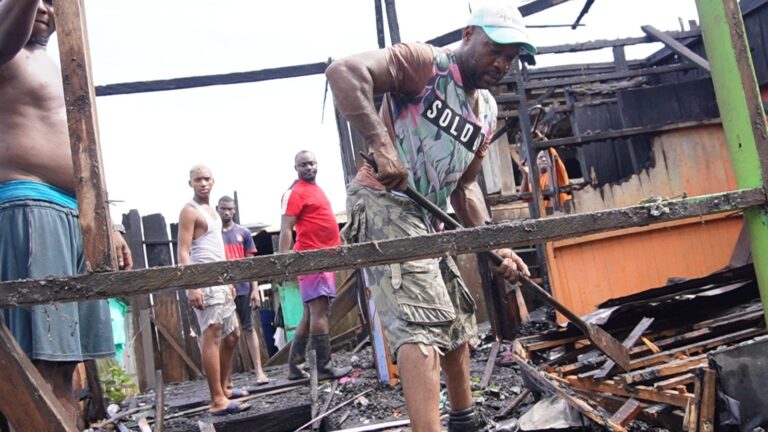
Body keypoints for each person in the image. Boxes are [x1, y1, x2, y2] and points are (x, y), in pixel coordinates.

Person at [325, 4, 534, 431]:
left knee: (457, 318)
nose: (502, 63)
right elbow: (343, 72)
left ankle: (464, 419)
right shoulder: (427, 64)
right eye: (496, 49)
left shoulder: (487, 111)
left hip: (429, 216)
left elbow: (466, 188)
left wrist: (495, 246)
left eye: (512, 57)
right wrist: (381, 145)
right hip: (383, 201)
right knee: (420, 324)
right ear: (470, 33)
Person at [0, 0, 132, 428]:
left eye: (52, 2)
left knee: (66, 365)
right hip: (30, 206)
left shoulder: (62, 64)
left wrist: (107, 224)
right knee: (35, 365)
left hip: (77, 216)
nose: (43, 7)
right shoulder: (8, 50)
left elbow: (82, 148)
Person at [177, 165, 249, 416]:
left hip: (220, 279)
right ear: (191, 183)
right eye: (198, 180)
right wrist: (191, 286)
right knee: (212, 336)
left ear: (213, 181)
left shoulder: (213, 212)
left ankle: (226, 387)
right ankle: (217, 399)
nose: (203, 183)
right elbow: (184, 251)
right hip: (203, 280)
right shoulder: (190, 211)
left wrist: (228, 281)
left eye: (207, 179)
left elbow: (217, 248)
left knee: (233, 335)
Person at [279, 151, 352, 381]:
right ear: (296, 168)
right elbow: (285, 228)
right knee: (319, 313)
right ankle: (324, 367)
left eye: (311, 163)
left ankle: (295, 367)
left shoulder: (315, 190)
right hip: (311, 258)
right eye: (303, 165)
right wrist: (283, 261)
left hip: (322, 258)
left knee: (311, 314)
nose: (308, 167)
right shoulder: (295, 192)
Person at [216, 195, 270, 385]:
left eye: (230, 209)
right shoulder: (213, 234)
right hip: (222, 290)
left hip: (243, 288)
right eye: (223, 208)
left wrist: (254, 289)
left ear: (234, 210)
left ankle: (259, 372)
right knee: (225, 333)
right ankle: (227, 379)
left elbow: (251, 264)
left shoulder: (244, 233)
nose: (227, 212)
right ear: (218, 209)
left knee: (249, 328)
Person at [520, 148, 573, 214]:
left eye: (546, 157)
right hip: (545, 215)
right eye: (541, 158)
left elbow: (554, 156)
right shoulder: (535, 181)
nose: (544, 159)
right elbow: (525, 198)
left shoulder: (557, 174)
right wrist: (525, 175)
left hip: (562, 213)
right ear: (536, 162)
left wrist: (544, 143)